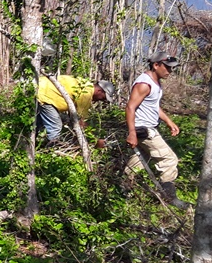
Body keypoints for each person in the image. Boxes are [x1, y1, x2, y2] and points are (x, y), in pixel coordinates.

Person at [125, 52, 188, 209]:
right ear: (156, 65)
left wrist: (168, 121)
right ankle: (169, 198)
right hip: (143, 129)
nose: (169, 71)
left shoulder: (155, 83)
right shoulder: (144, 84)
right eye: (167, 67)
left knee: (140, 160)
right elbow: (130, 107)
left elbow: (153, 106)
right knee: (169, 160)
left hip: (145, 127)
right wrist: (132, 132)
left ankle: (122, 191)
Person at [36, 75, 115, 143]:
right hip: (44, 95)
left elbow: (74, 116)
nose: (102, 100)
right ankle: (51, 152)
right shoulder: (86, 94)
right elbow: (82, 122)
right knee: (55, 127)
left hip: (38, 89)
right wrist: (94, 141)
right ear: (99, 91)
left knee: (36, 124)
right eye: (103, 97)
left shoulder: (84, 84)